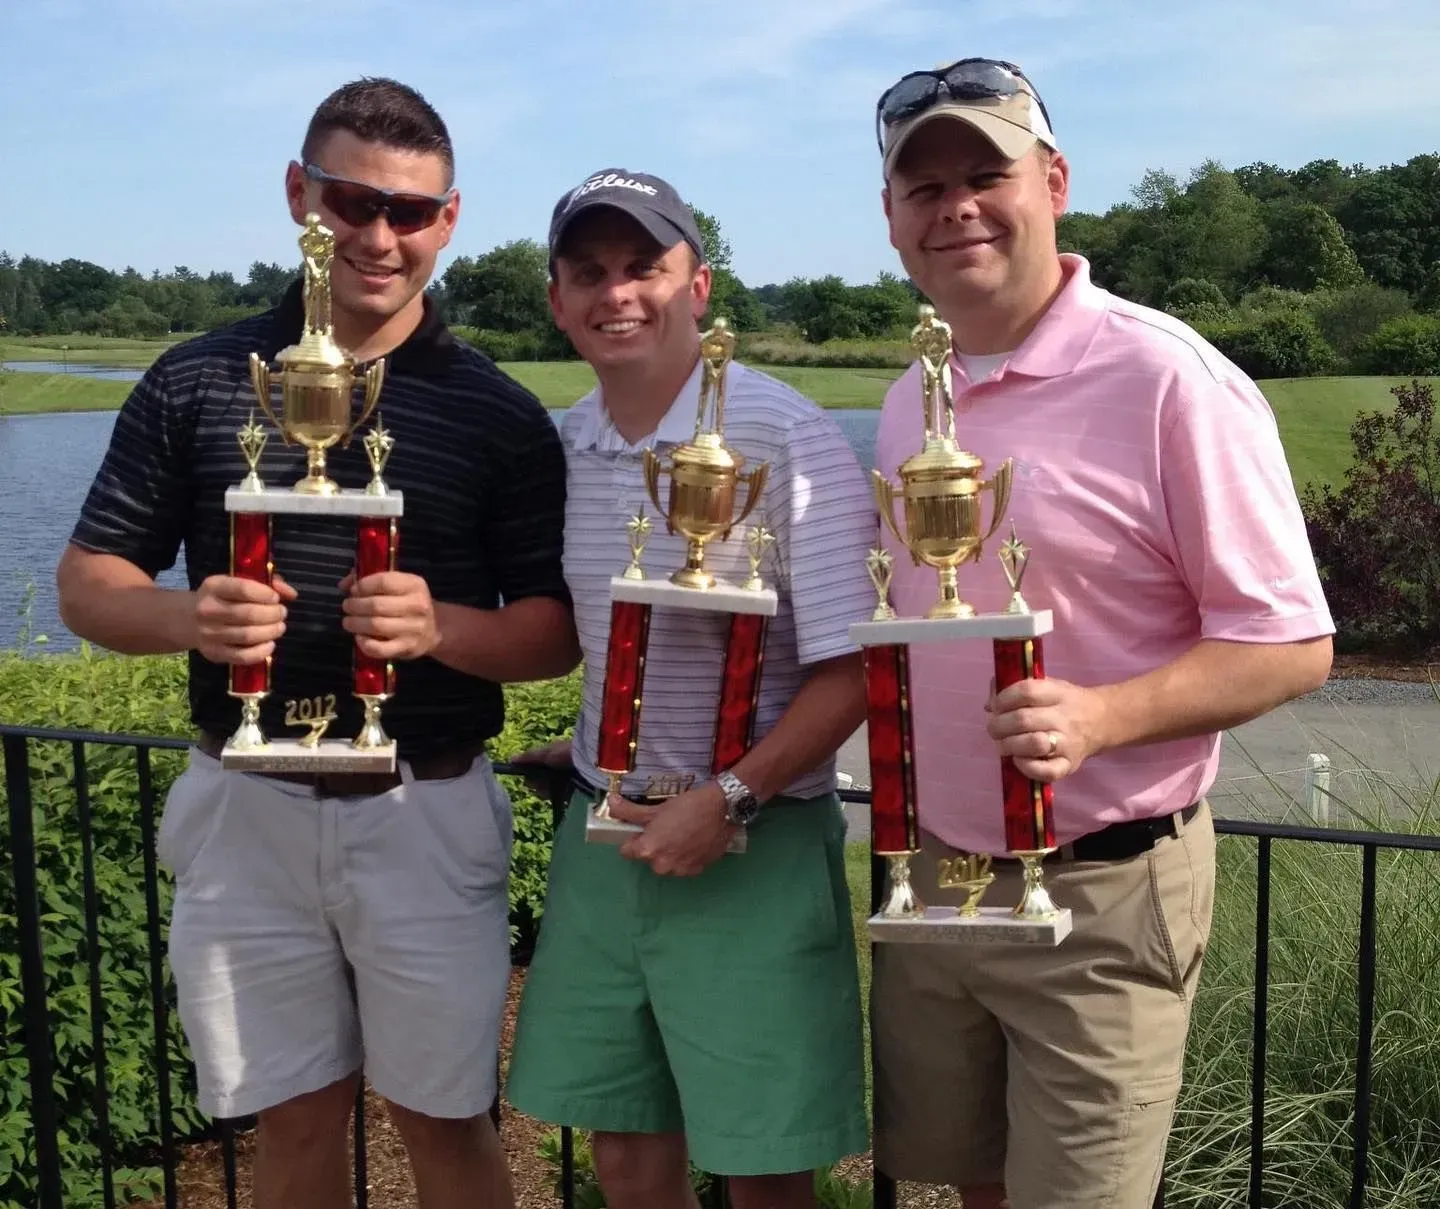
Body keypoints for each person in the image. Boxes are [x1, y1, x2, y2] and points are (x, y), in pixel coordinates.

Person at [56, 77, 578, 1209]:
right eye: (351, 202)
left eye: (411, 211)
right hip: (244, 808)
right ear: (301, 194)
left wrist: (443, 628)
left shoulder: (497, 413)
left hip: (423, 807)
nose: (379, 236)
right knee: (289, 1127)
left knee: (445, 1124)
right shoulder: (196, 379)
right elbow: (90, 587)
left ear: (449, 220)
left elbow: (553, 636)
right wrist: (190, 616)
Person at [868, 58, 1335, 1209]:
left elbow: (1290, 641)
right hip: (938, 873)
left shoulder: (1171, 378)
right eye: (923, 189)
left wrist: (1104, 715)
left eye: (987, 173)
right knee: (967, 1185)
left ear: (1056, 181)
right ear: (891, 216)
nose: (956, 207)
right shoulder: (906, 399)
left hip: (1101, 890)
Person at [505, 168, 874, 1209]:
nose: (616, 294)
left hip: (752, 845)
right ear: (557, 302)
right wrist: (588, 750)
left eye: (643, 268)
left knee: (760, 1164)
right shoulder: (568, 444)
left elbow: (856, 668)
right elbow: (605, 643)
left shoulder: (784, 436)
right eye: (588, 273)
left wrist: (733, 795)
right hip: (607, 833)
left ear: (697, 285)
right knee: (624, 1150)